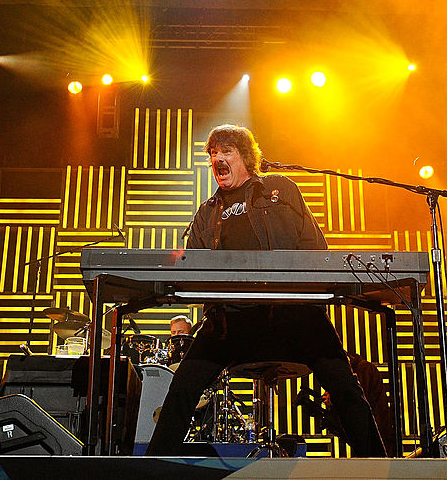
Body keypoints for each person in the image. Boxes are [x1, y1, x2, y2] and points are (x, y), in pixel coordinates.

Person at [146, 124, 386, 457]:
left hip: (294, 311)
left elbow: (315, 248)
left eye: (225, 150)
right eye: (213, 153)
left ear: (245, 156)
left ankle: (380, 466)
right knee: (182, 390)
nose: (217, 158)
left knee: (346, 389)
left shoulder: (280, 190)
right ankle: (154, 467)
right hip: (232, 319)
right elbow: (193, 271)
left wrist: (306, 297)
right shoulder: (206, 213)